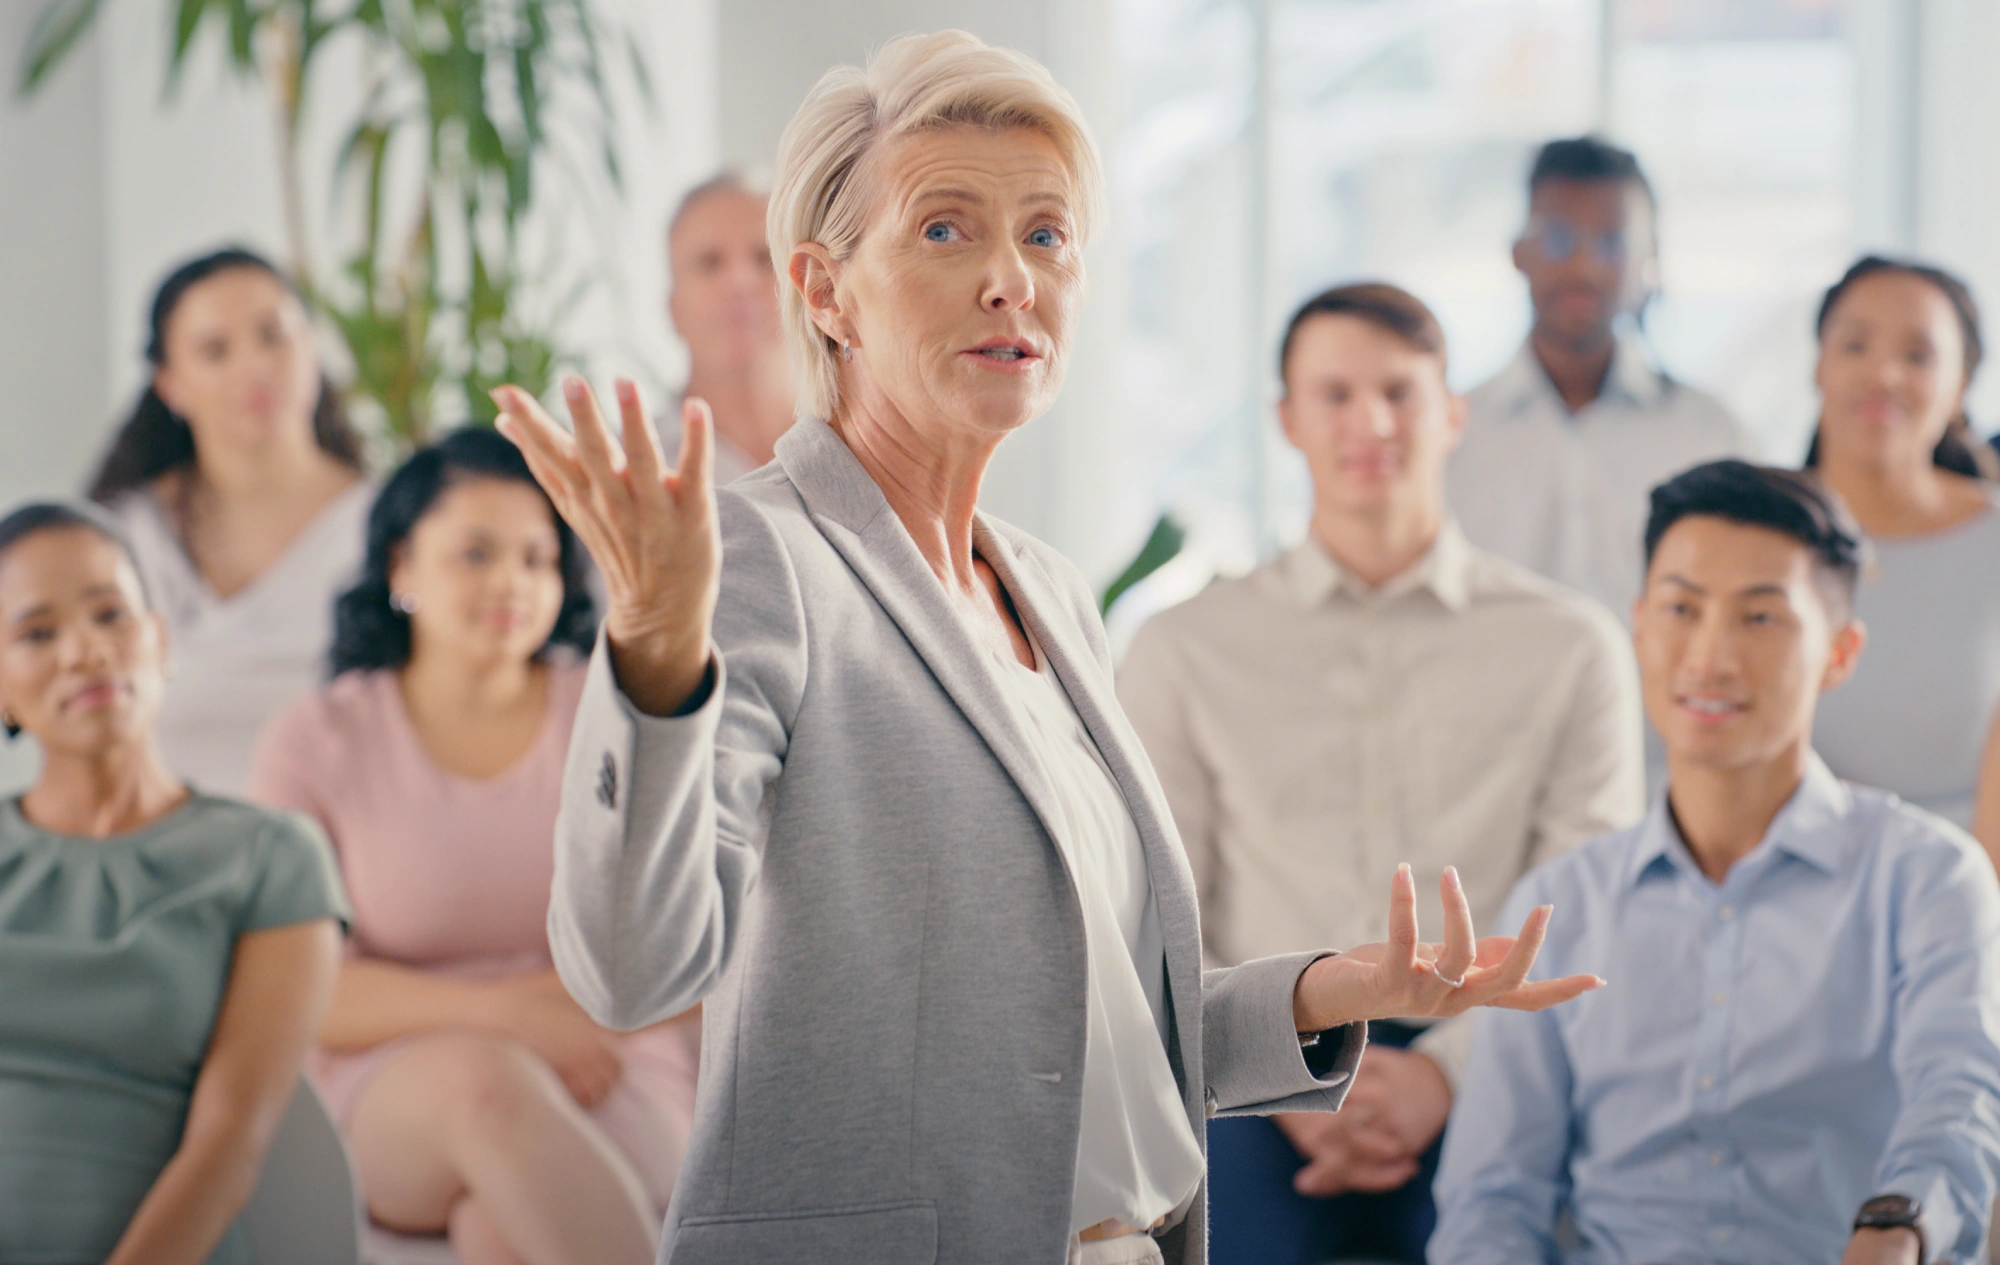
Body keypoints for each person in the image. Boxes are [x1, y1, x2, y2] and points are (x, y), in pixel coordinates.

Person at [489, 30, 1597, 1265]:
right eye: (946, 229)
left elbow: (1092, 1034)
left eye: (1047, 234)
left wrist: (1339, 988)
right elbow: (633, 970)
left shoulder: (1053, 593)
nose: (1010, 277)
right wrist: (649, 646)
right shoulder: (759, 558)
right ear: (823, 288)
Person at [1119, 283, 1645, 1265]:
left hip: (1491, 1057)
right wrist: (1286, 1067)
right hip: (1255, 1069)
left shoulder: (1569, 644)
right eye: (1333, 393)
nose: (1369, 421)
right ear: (1286, 419)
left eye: (1399, 392)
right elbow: (1156, 910)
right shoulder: (1182, 647)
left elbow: (1587, 898)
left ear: (1452, 413)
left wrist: (1447, 1075)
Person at [1431, 460, 2000, 1265]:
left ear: (1840, 652)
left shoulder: (1931, 878)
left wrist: (1899, 1228)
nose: (1709, 656)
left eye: (1760, 618)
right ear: (1637, 625)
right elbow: (1493, 1198)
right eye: (1680, 609)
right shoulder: (1559, 905)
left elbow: (1962, 1100)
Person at [246, 429, 697, 1265]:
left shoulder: (612, 712)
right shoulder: (318, 739)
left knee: (500, 1232)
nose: (512, 583)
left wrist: (570, 1019)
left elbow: (685, 937)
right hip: (399, 1080)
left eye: (537, 557)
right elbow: (302, 990)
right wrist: (508, 1018)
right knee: (484, 1086)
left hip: (608, 1062)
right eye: (476, 552)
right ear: (400, 568)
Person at [0, 502, 346, 1265]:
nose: (85, 650)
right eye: (37, 632)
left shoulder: (269, 855)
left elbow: (232, 1144)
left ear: (158, 640)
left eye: (108, 614)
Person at [88, 246, 372, 796]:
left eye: (273, 335)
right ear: (169, 384)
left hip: (347, 863)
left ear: (311, 347)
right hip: (167, 862)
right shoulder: (123, 539)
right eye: (215, 350)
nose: (255, 366)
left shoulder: (392, 526)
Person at [1446, 136, 1753, 617]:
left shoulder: (1712, 438)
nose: (1583, 266)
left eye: (1612, 242)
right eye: (1558, 239)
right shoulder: (1450, 437)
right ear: (1518, 252)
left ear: (1649, 257)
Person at [1798, 257, 2000, 845]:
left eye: (1917, 355)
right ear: (1819, 365)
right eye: (1855, 344)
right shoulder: (1752, 536)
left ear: (1960, 386)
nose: (1883, 374)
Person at [660, 173, 796, 482]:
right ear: (673, 309)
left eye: (765, 258)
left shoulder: (870, 448)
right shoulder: (620, 471)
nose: (740, 283)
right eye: (709, 262)